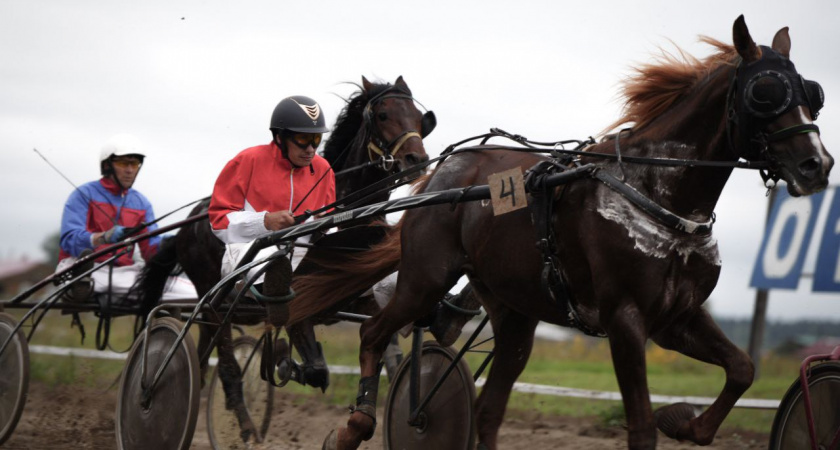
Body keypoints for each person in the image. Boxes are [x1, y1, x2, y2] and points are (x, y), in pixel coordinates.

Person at [209, 95, 335, 283]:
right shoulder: (246, 160)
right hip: (250, 248)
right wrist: (264, 222)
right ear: (279, 137)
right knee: (275, 270)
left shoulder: (324, 168)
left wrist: (326, 226)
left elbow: (331, 225)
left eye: (316, 139)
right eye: (303, 138)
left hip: (303, 252)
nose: (311, 149)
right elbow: (219, 222)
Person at [57, 134, 196, 302]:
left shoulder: (141, 203)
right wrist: (104, 237)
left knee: (195, 292)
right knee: (79, 274)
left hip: (123, 274)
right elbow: (69, 240)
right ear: (107, 166)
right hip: (84, 267)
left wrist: (170, 244)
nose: (130, 170)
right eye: (123, 163)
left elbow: (150, 250)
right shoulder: (83, 194)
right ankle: (79, 285)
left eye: (135, 164)